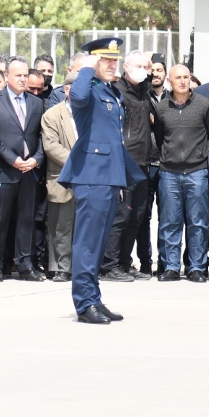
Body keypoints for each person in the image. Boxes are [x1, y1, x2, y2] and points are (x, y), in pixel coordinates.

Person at [59, 38, 144, 324]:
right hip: (92, 175)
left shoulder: (109, 90)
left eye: (114, 60)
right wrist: (85, 68)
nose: (112, 64)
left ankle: (93, 298)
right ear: (93, 61)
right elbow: (78, 97)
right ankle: (84, 303)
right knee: (87, 243)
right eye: (105, 60)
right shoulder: (88, 87)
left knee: (98, 243)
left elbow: (113, 140)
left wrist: (117, 178)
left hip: (107, 176)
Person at [0, 58, 44, 280]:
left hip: (29, 170)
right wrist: (12, 159)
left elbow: (42, 135)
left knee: (26, 219)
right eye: (18, 75)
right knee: (0, 220)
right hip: (5, 170)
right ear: (6, 76)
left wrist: (36, 159)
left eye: (25, 75)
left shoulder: (36, 103)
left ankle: (25, 265)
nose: (22, 79)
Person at [152, 64, 209, 280]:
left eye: (186, 77)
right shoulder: (161, 108)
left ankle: (196, 267)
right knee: (169, 222)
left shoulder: (204, 105)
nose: (183, 81)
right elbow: (160, 138)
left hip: (197, 171)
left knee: (198, 222)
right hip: (169, 172)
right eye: (178, 77)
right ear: (169, 80)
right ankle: (171, 267)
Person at [102, 49, 156, 280]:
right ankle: (109, 265)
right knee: (120, 214)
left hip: (143, 163)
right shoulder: (117, 92)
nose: (143, 71)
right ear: (126, 67)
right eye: (138, 66)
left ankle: (124, 262)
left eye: (145, 67)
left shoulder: (145, 92)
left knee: (137, 216)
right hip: (123, 162)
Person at [40, 78, 78, 281]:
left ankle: (81, 266)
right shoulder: (52, 115)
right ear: (67, 89)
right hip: (63, 176)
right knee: (61, 226)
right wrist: (79, 163)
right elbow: (51, 146)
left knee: (86, 227)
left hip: (91, 177)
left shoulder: (93, 112)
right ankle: (61, 267)